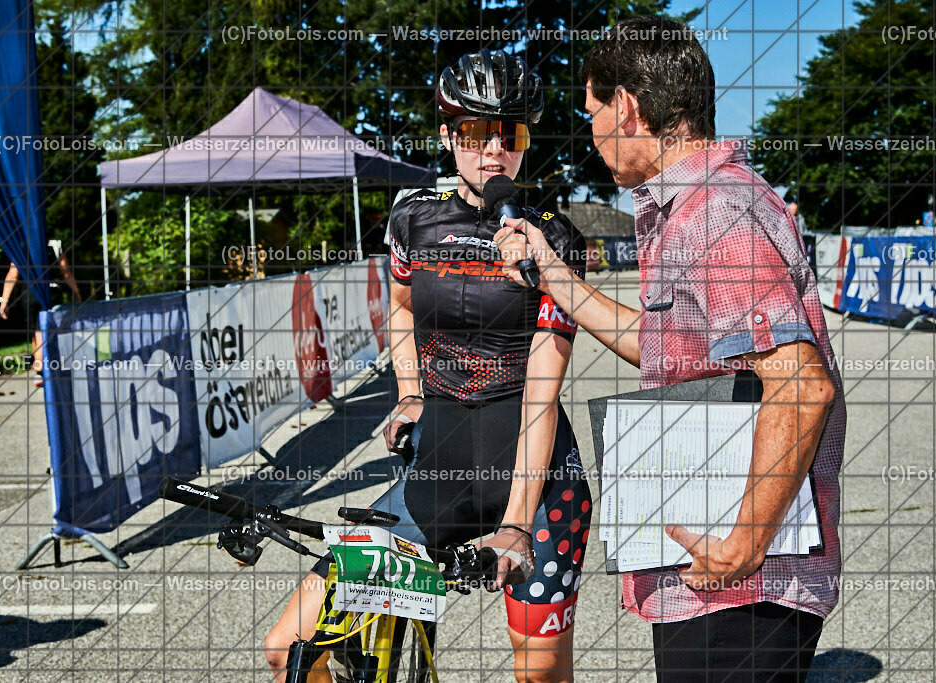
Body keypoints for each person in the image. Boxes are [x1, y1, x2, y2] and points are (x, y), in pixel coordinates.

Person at [497, 15, 845, 681]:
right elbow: (664, 347)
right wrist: (555, 274)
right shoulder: (691, 211)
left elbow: (802, 386)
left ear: (626, 106)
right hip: (720, 578)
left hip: (743, 584)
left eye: (592, 107)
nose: (592, 130)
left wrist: (744, 542)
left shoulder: (715, 212)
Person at [265, 49, 592, 682]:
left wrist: (517, 526)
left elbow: (542, 394)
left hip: (536, 483)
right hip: (434, 472)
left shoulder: (556, 238)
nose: (492, 150)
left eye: (511, 132)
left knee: (539, 677)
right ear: (447, 135)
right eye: (474, 131)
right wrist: (410, 391)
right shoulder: (414, 218)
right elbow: (403, 306)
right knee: (290, 651)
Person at [0, 243, 81, 387]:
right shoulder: (54, 245)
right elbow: (65, 271)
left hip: (30, 293)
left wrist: (4, 300)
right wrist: (76, 293)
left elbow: (13, 273)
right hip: (51, 291)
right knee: (45, 332)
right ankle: (48, 368)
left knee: (37, 333)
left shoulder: (21, 245)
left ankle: (40, 371)